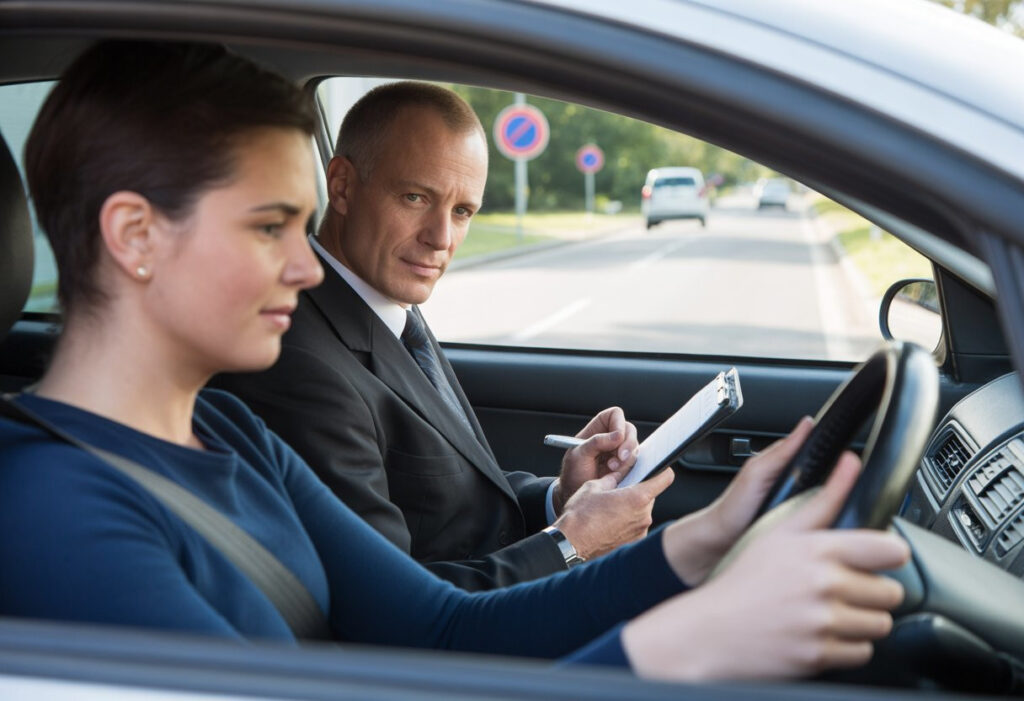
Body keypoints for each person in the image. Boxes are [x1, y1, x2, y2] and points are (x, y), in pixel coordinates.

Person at [0, 39, 908, 681]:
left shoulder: (230, 431)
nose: (308, 263)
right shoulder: (51, 511)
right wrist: (690, 643)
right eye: (271, 226)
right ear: (135, 236)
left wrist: (710, 537)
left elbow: (440, 627)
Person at [215, 82, 674, 591]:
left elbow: (458, 511)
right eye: (415, 197)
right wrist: (571, 543)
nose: (441, 239)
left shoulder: (388, 304)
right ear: (342, 186)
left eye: (462, 212)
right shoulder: (299, 364)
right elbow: (388, 601)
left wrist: (562, 499)